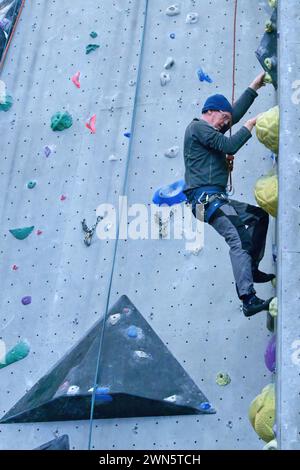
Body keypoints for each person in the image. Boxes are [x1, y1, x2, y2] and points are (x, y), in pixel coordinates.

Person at [183, 72, 274, 317]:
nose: (225, 124)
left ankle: (251, 268)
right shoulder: (197, 127)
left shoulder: (208, 130)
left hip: (213, 199)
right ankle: (248, 299)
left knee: (258, 217)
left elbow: (234, 113)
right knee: (239, 238)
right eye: (223, 119)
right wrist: (251, 124)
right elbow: (232, 144)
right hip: (205, 200)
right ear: (210, 111)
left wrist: (253, 87)